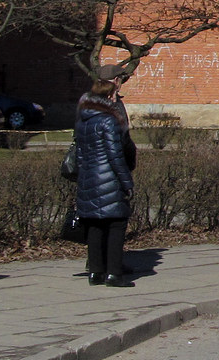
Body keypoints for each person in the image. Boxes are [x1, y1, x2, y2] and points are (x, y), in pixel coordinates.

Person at [75, 75, 135, 287]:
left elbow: (80, 154)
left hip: (88, 177)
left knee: (94, 226)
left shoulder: (83, 119)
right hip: (109, 179)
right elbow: (115, 155)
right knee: (116, 225)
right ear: (109, 96)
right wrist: (127, 182)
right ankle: (114, 273)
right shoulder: (109, 120)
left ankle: (95, 272)